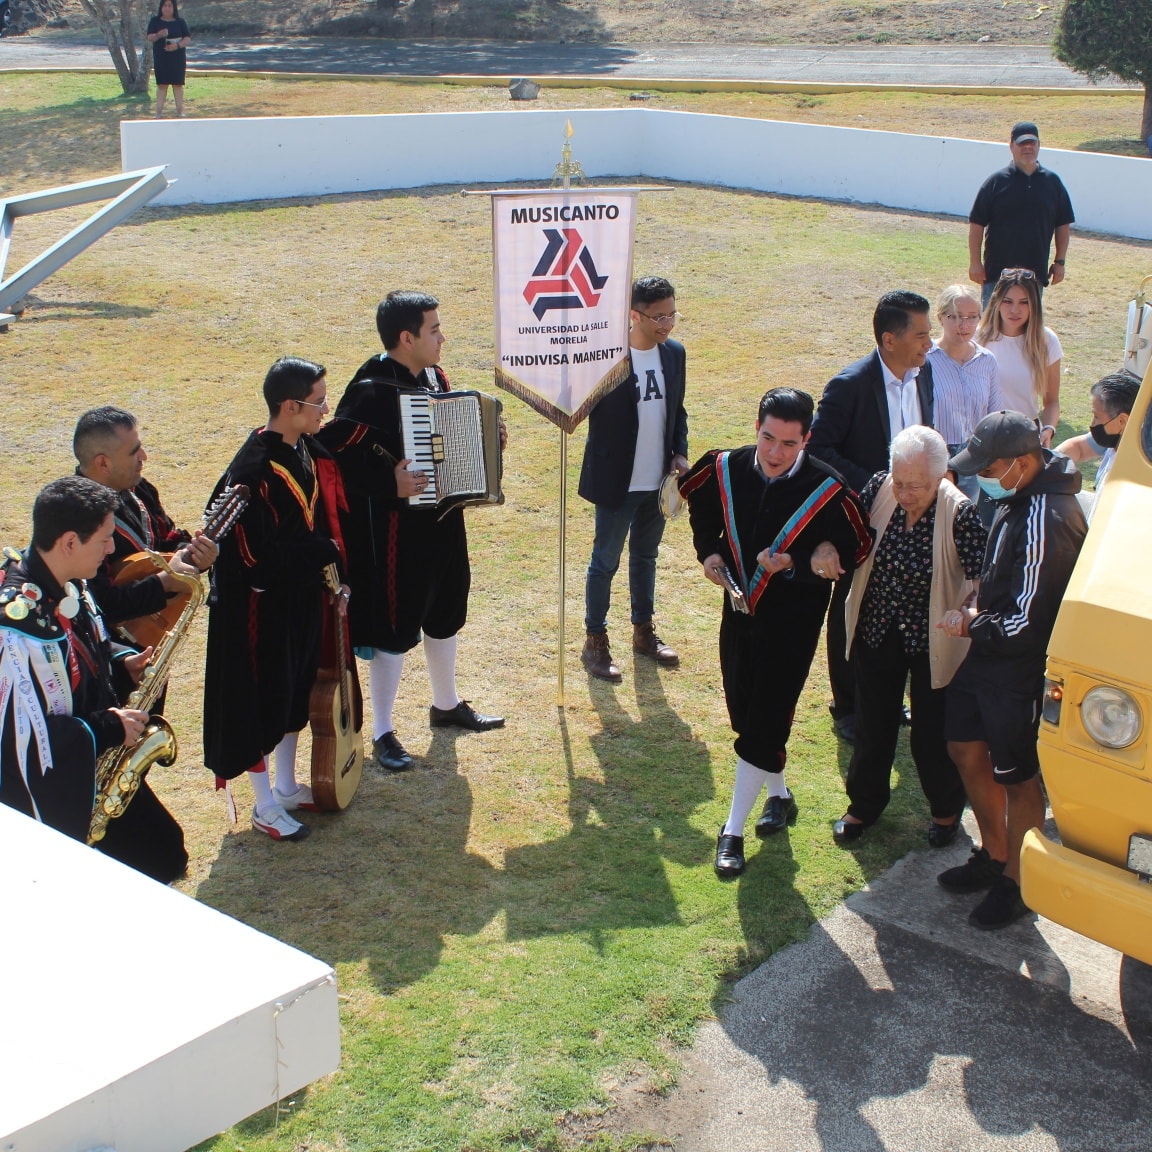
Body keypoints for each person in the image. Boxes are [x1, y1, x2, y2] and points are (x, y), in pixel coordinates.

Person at [680, 387, 872, 879]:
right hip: (739, 612)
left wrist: (807, 562)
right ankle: (780, 797)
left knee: (765, 716)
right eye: (768, 437)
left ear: (806, 439)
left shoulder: (829, 489)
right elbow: (698, 502)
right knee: (745, 711)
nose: (774, 452)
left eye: (789, 443)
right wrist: (710, 552)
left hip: (794, 620)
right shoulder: (724, 467)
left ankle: (732, 830)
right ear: (756, 427)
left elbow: (857, 546)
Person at [319, 291, 505, 775]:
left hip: (443, 522)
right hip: (395, 533)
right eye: (434, 329)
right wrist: (389, 483)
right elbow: (332, 460)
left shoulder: (436, 378)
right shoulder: (370, 392)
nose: (443, 337)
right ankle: (382, 730)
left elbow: (452, 437)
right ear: (407, 338)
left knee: (445, 612)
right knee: (396, 626)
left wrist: (490, 440)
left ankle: (446, 704)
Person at [938, 411, 1087, 929]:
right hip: (991, 657)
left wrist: (971, 623)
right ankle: (995, 854)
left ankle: (1019, 883)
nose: (982, 476)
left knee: (1019, 776)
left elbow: (1026, 621)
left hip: (1021, 668)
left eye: (989, 467)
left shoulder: (1047, 516)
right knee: (962, 744)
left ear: (1022, 463)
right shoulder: (1016, 492)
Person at [0, 476, 188, 883]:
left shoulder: (71, 582)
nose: (110, 550)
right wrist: (106, 727)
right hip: (60, 791)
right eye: (104, 539)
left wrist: (121, 663)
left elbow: (89, 646)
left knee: (165, 853)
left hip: (93, 759)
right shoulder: (17, 630)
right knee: (156, 859)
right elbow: (23, 743)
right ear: (69, 542)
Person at [203, 357, 349, 842]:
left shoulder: (301, 447)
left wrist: (330, 573)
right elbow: (255, 558)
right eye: (319, 401)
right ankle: (264, 803)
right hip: (258, 610)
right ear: (290, 406)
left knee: (294, 692)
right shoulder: (252, 472)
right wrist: (321, 552)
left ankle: (286, 787)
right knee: (260, 702)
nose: (325, 409)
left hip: (298, 598)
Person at [834, 427, 986, 848]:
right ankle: (863, 806)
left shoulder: (960, 513)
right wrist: (828, 550)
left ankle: (945, 811)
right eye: (898, 481)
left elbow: (981, 578)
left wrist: (967, 610)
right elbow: (847, 533)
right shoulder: (879, 489)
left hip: (934, 638)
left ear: (940, 478)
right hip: (879, 627)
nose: (903, 493)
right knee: (872, 724)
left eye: (915, 486)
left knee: (930, 735)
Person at [808, 290, 936, 742]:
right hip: (862, 515)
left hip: (914, 516)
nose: (929, 342)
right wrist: (879, 486)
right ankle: (847, 706)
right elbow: (819, 450)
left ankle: (884, 695)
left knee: (898, 603)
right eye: (921, 334)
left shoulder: (926, 374)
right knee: (852, 607)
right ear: (889, 339)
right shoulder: (850, 385)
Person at [578, 275, 689, 682]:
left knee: (646, 557)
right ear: (634, 315)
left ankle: (643, 631)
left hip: (657, 482)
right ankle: (595, 641)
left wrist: (680, 452)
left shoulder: (674, 354)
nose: (667, 324)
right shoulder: (606, 356)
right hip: (616, 481)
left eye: (672, 314)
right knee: (604, 562)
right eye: (658, 317)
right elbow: (576, 405)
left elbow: (679, 410)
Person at [73, 405, 218, 627]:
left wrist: (194, 557)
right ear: (103, 462)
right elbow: (98, 604)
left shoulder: (139, 490)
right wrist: (164, 584)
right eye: (134, 452)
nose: (144, 457)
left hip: (147, 633)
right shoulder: (74, 518)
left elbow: (167, 539)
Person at [968, 121, 1074, 307]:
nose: (1028, 147)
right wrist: (975, 263)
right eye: (1022, 143)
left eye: (1032, 143)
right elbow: (976, 224)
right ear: (1011, 147)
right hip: (996, 275)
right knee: (992, 330)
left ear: (1039, 145)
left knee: (1028, 331)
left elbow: (1063, 224)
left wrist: (1060, 261)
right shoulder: (995, 182)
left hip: (1035, 275)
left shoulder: (1052, 183)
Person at [925, 284, 1003, 503]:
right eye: (956, 317)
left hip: (973, 455)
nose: (964, 325)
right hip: (935, 455)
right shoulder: (924, 359)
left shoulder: (987, 361)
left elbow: (994, 414)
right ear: (941, 318)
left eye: (972, 317)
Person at [975, 268, 1062, 447]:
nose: (1015, 310)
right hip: (984, 434)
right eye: (1008, 301)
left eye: (1024, 302)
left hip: (1025, 435)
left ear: (1034, 305)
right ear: (997, 301)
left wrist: (1048, 429)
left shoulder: (1047, 341)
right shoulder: (977, 338)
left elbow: (1051, 401)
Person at [1054, 371, 1141, 523]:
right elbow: (1078, 448)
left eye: (1097, 417)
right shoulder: (1116, 441)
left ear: (1122, 421)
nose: (1092, 424)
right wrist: (1049, 464)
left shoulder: (1136, 469)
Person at [146, 0, 191, 119]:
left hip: (177, 57)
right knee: (162, 84)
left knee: (177, 84)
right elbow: (150, 37)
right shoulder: (155, 21)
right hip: (161, 57)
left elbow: (187, 38)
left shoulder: (180, 22)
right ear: (161, 7)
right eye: (165, 5)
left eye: (170, 5)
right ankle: (159, 113)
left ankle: (180, 111)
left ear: (174, 8)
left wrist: (177, 45)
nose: (167, 8)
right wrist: (159, 35)